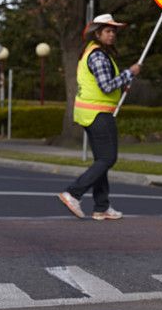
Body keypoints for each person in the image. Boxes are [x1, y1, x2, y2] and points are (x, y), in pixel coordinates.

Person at [58, 13, 141, 220]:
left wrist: (121, 85)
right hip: (98, 114)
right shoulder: (98, 56)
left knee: (101, 160)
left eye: (114, 31)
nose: (112, 34)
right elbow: (106, 86)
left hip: (92, 112)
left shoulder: (94, 54)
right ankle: (73, 193)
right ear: (97, 33)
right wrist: (129, 73)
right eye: (107, 31)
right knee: (107, 158)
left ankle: (101, 206)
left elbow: (104, 85)